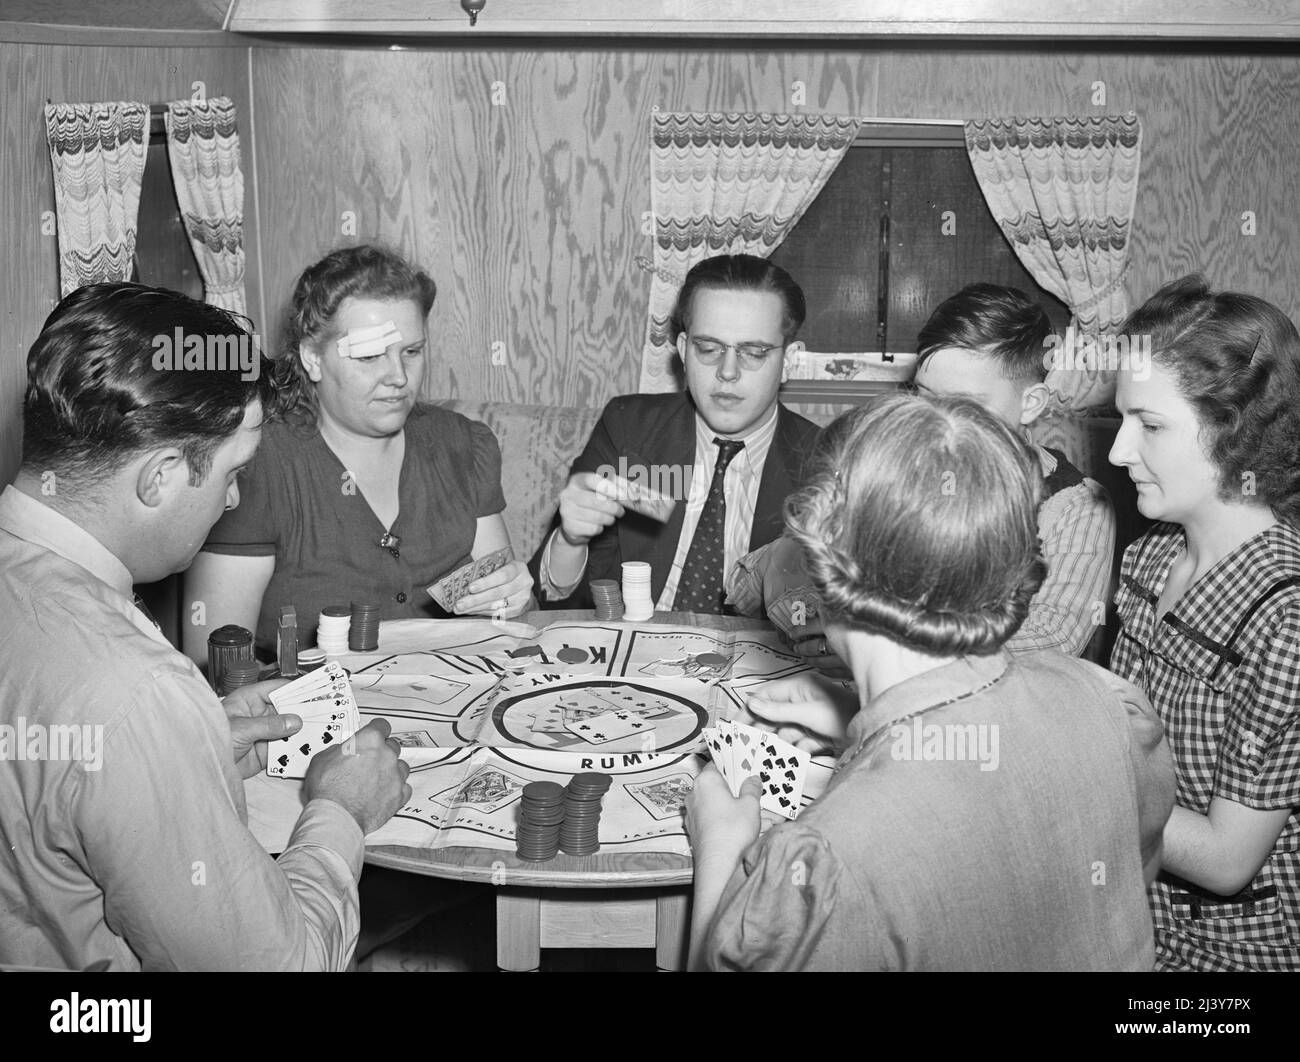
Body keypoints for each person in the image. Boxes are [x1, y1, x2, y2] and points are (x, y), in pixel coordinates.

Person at [686, 393, 1175, 971]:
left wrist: (720, 851)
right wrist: (855, 724)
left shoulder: (823, 863)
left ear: (819, 552)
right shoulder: (1108, 703)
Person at [0, 284, 410, 970]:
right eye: (233, 471)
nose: (235, 497)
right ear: (160, 475)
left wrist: (197, 745)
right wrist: (341, 809)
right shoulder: (138, 691)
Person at [184, 244, 533, 662]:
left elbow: (508, 617)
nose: (398, 377)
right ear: (312, 358)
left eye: (412, 352)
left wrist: (512, 600)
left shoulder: (462, 444)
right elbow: (217, 662)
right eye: (369, 356)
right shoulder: (257, 463)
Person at [1108, 275, 1300, 971]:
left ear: (1236, 430)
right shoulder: (1148, 557)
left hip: (1230, 951)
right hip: (1136, 909)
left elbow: (1225, 861)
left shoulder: (1285, 613)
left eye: (1150, 425)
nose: (1118, 452)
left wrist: (1070, 774)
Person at [531, 254, 821, 613]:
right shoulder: (629, 428)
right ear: (683, 350)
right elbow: (553, 600)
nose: (727, 372)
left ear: (789, 359)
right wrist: (570, 540)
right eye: (709, 349)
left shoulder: (824, 462)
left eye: (753, 352)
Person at [910, 284, 1115, 655]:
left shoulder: (1076, 507)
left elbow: (1051, 641)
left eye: (963, 403)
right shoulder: (897, 469)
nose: (934, 422)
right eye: (923, 395)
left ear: (1031, 404)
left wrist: (892, 646)